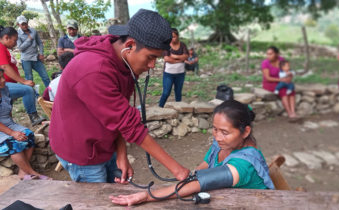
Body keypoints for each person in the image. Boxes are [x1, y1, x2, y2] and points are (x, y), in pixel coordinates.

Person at [50, 9, 190, 183]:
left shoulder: (125, 62)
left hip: (104, 144)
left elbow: (120, 112)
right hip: (82, 152)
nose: (152, 65)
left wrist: (121, 154)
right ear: (129, 45)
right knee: (98, 202)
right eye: (150, 57)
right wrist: (178, 170)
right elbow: (128, 123)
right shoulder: (94, 70)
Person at [110, 100, 274, 206]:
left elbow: (199, 183)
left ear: (245, 132)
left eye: (224, 132)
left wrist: (146, 196)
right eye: (215, 129)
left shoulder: (244, 164)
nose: (217, 137)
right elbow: (203, 167)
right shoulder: (225, 144)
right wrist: (192, 176)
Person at [0, 69, 51, 180]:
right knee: (14, 144)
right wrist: (12, 133)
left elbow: (8, 109)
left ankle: (23, 172)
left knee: (28, 135)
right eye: (0, 78)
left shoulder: (4, 89)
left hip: (6, 123)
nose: (3, 80)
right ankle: (32, 172)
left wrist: (14, 127)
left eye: (2, 76)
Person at [0, 26, 45, 126]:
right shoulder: (0, 47)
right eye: (14, 40)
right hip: (3, 84)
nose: (16, 43)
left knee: (8, 106)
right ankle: (34, 117)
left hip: (6, 84)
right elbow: (4, 66)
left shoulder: (4, 48)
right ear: (6, 37)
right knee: (27, 90)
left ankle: (9, 123)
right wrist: (23, 81)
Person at [261, 46, 297, 119]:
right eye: (267, 54)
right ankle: (289, 113)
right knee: (283, 90)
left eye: (271, 54)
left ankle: (293, 111)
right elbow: (267, 78)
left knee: (291, 91)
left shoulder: (281, 60)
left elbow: (287, 71)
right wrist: (281, 80)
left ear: (277, 54)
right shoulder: (265, 63)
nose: (268, 56)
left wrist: (289, 78)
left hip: (282, 81)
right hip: (269, 83)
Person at [16, 16, 50, 87]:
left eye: (25, 23)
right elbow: (20, 48)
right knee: (29, 79)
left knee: (45, 76)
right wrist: (29, 39)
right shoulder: (17, 34)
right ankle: (32, 96)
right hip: (26, 60)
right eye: (22, 24)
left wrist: (41, 53)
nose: (25, 26)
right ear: (18, 25)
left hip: (36, 58)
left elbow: (40, 43)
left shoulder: (33, 31)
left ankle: (51, 93)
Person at [159, 28, 189, 107]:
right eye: (171, 37)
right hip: (168, 74)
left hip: (180, 73)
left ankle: (179, 109)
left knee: (178, 93)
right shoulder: (167, 45)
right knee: (166, 92)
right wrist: (179, 59)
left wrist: (174, 56)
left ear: (178, 36)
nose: (172, 39)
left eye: (174, 37)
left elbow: (186, 56)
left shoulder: (182, 45)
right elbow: (167, 58)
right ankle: (159, 108)